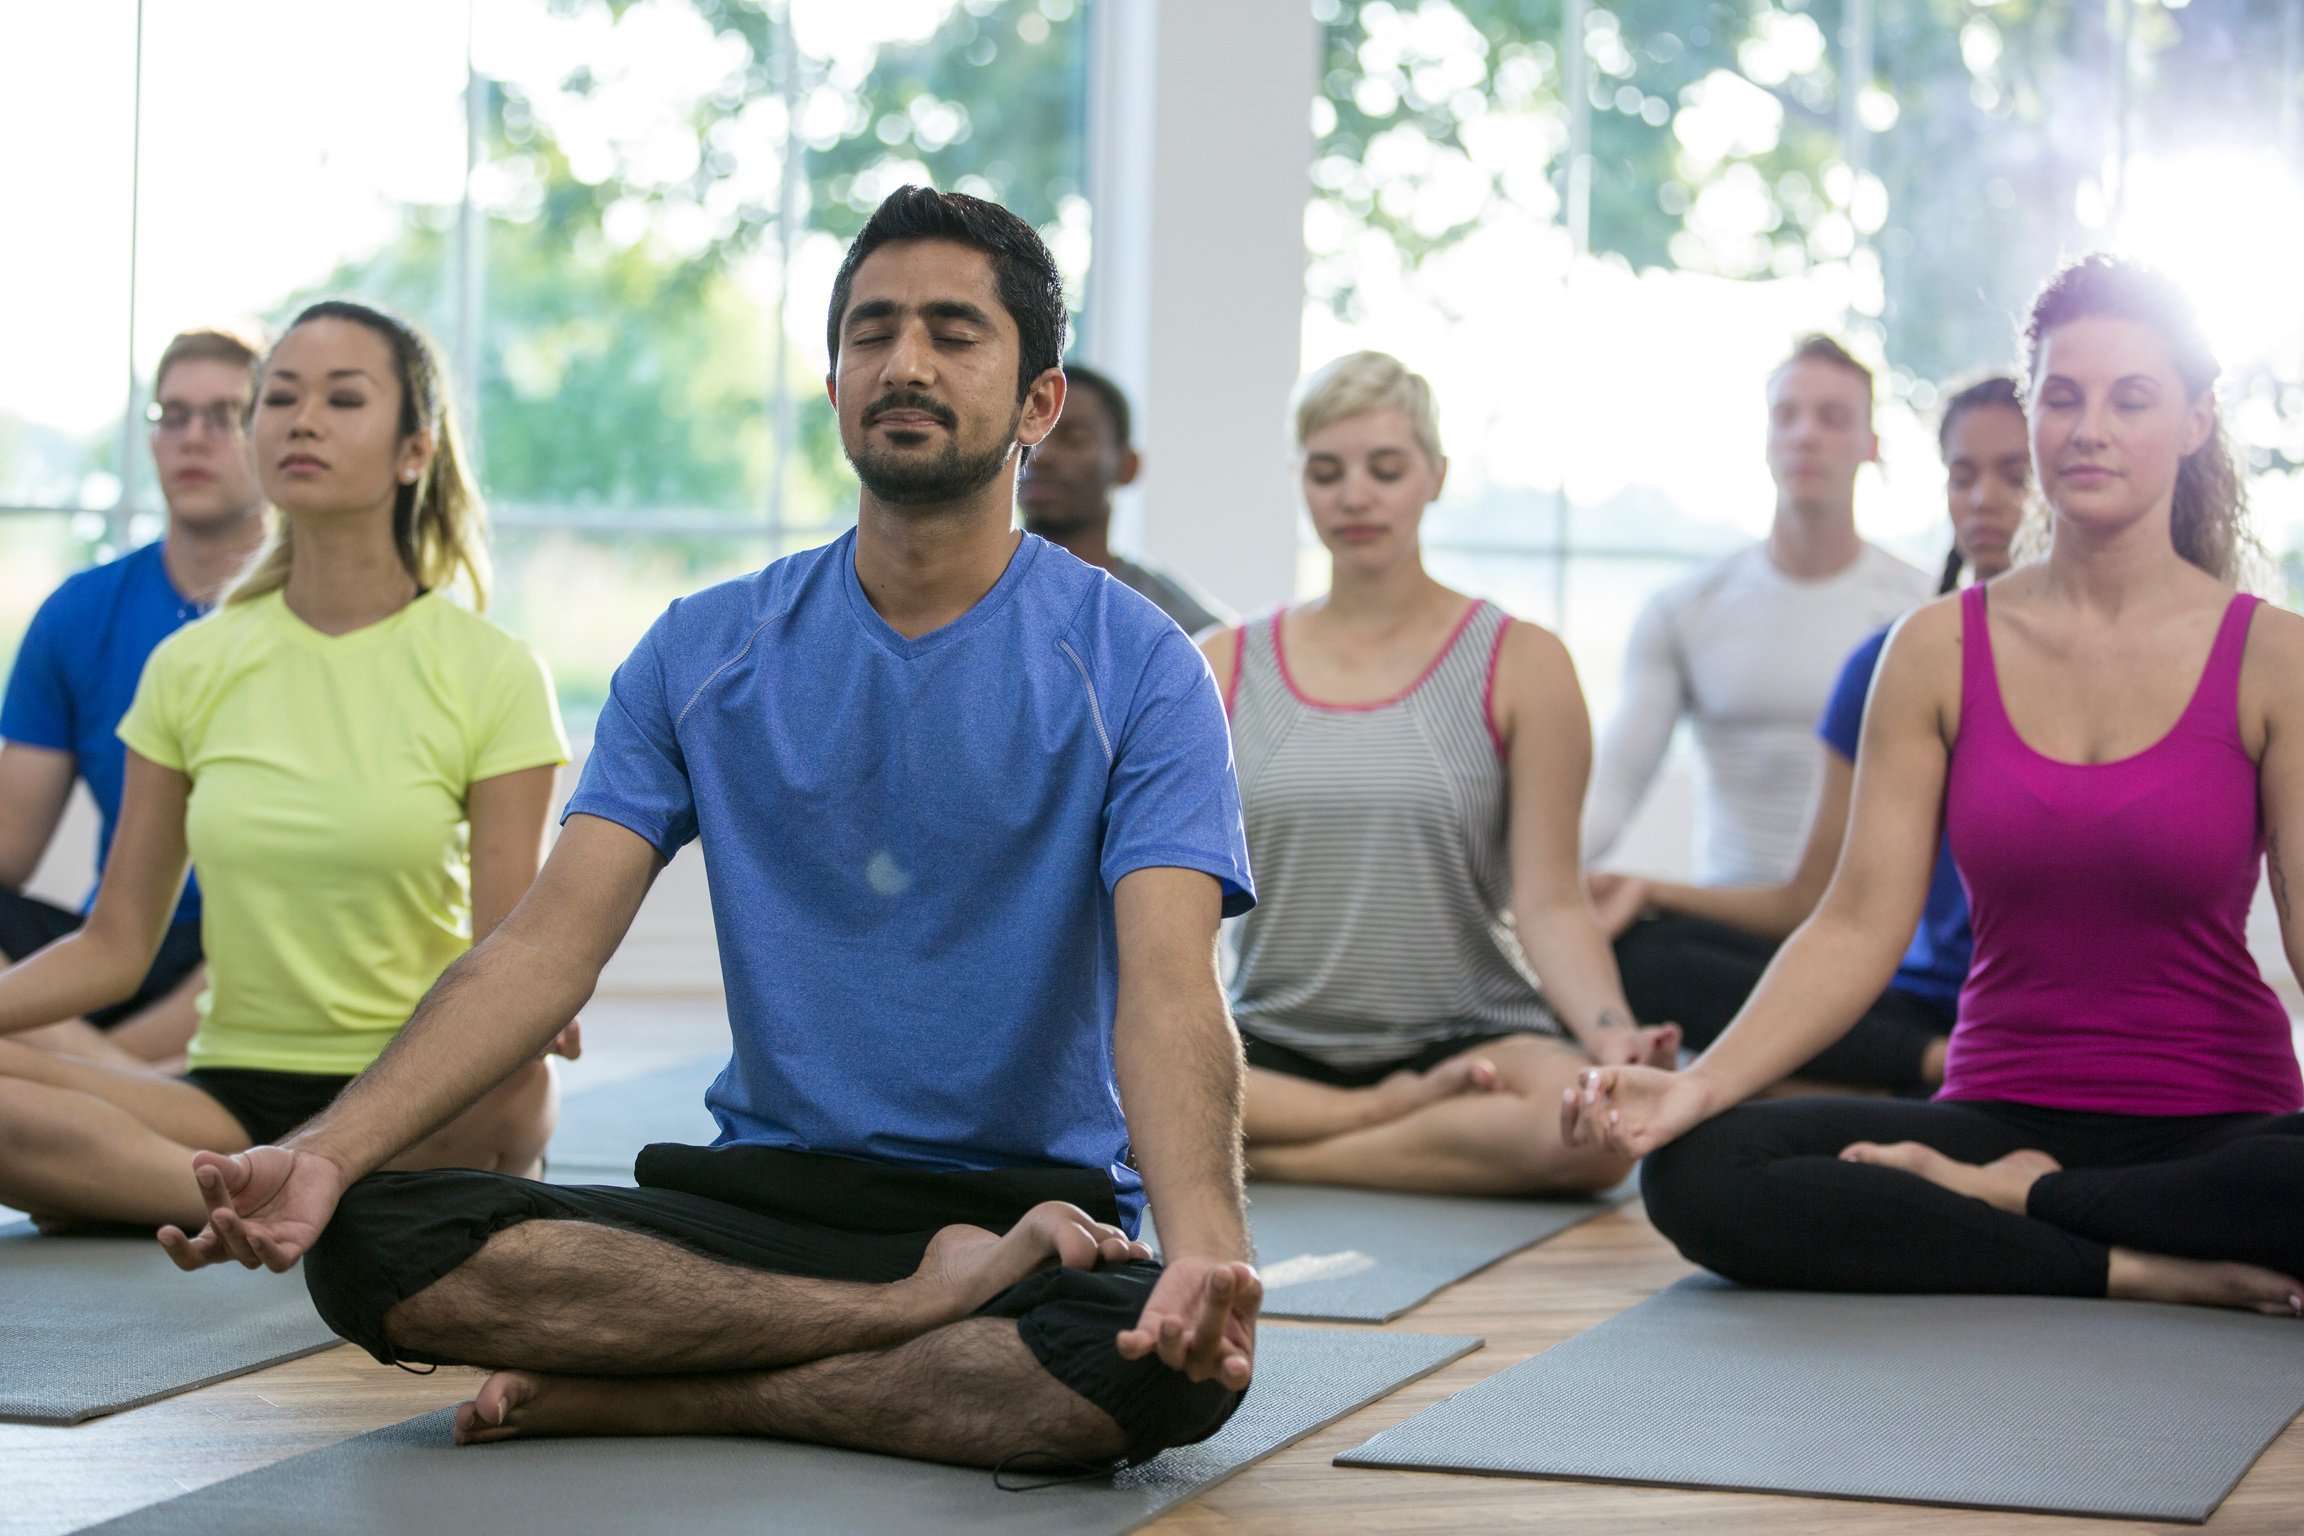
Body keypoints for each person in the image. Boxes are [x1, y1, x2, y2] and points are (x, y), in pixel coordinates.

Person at [161, 188, 1263, 1472]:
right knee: (372, 1242)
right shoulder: (704, 648)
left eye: (954, 332)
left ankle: (681, 1386)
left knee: (1154, 1373)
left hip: (1029, 1212)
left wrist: (1204, 1258)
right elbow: (541, 951)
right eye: (871, 331)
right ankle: (906, 1317)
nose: (903, 361)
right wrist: (324, 1153)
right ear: (837, 377)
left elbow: (1174, 991)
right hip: (760, 1202)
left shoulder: (1140, 666)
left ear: (1038, 404)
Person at [1565, 256, 2304, 1316]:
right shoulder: (1933, 650)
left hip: (2221, 1124)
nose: (2090, 427)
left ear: (2194, 422)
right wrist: (1701, 1084)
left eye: (2130, 399)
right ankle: (2121, 1259)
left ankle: (2026, 1204)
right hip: (1995, 1104)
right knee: (1697, 1172)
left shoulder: (2278, 658)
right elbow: (1859, 920)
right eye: (2063, 396)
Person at [0, 300, 571, 1229]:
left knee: (519, 1090)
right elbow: (115, 945)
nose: (301, 420)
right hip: (225, 1094)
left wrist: (534, 1015)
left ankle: (248, 1190)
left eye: (344, 400)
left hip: (413, 1095)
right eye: (280, 400)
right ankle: (301, 1198)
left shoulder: (493, 670)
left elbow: (505, 954)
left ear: (414, 451)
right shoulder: (190, 665)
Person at [1201, 351, 1674, 1197]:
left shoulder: (1524, 662)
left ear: (1436, 476)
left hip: (1472, 1041)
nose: (1355, 496)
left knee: (1596, 1134)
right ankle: (1393, 1120)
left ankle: (1280, 1156)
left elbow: (1553, 900)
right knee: (1118, 1087)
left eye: (1386, 469)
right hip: (1276, 1040)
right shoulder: (1222, 664)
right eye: (1327, 471)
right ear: (1298, 480)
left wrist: (1612, 1039)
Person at [1590, 377, 2033, 1094]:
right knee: (1642, 963)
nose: (1984, 498)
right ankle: (1932, 1061)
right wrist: (1604, 891)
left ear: (1868, 444)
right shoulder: (1896, 656)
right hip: (1896, 984)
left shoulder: (2089, 660)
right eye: (1963, 474)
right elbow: (1823, 904)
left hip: (2040, 1002)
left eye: (2015, 475)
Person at [0, 327, 271, 1069]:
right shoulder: (78, 613)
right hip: (115, 944)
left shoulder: (315, 617)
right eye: (171, 416)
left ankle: (75, 1080)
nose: (193, 438)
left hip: (261, 954)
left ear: (272, 432)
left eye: (224, 416)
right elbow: (9, 850)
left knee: (290, 936)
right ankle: (112, 1082)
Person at [1583, 336, 1933, 887]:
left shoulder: (1926, 610)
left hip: (1881, 937)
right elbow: (1615, 784)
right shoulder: (1685, 609)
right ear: (1766, 438)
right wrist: (1533, 881)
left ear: (1871, 444)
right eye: (1786, 416)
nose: (1806, 435)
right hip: (1726, 925)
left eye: (1832, 417)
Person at [1019, 361, 1228, 635]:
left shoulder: (1182, 630)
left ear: (1127, 466)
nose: (1041, 455)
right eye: (1029, 434)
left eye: (1074, 439)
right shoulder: (965, 595)